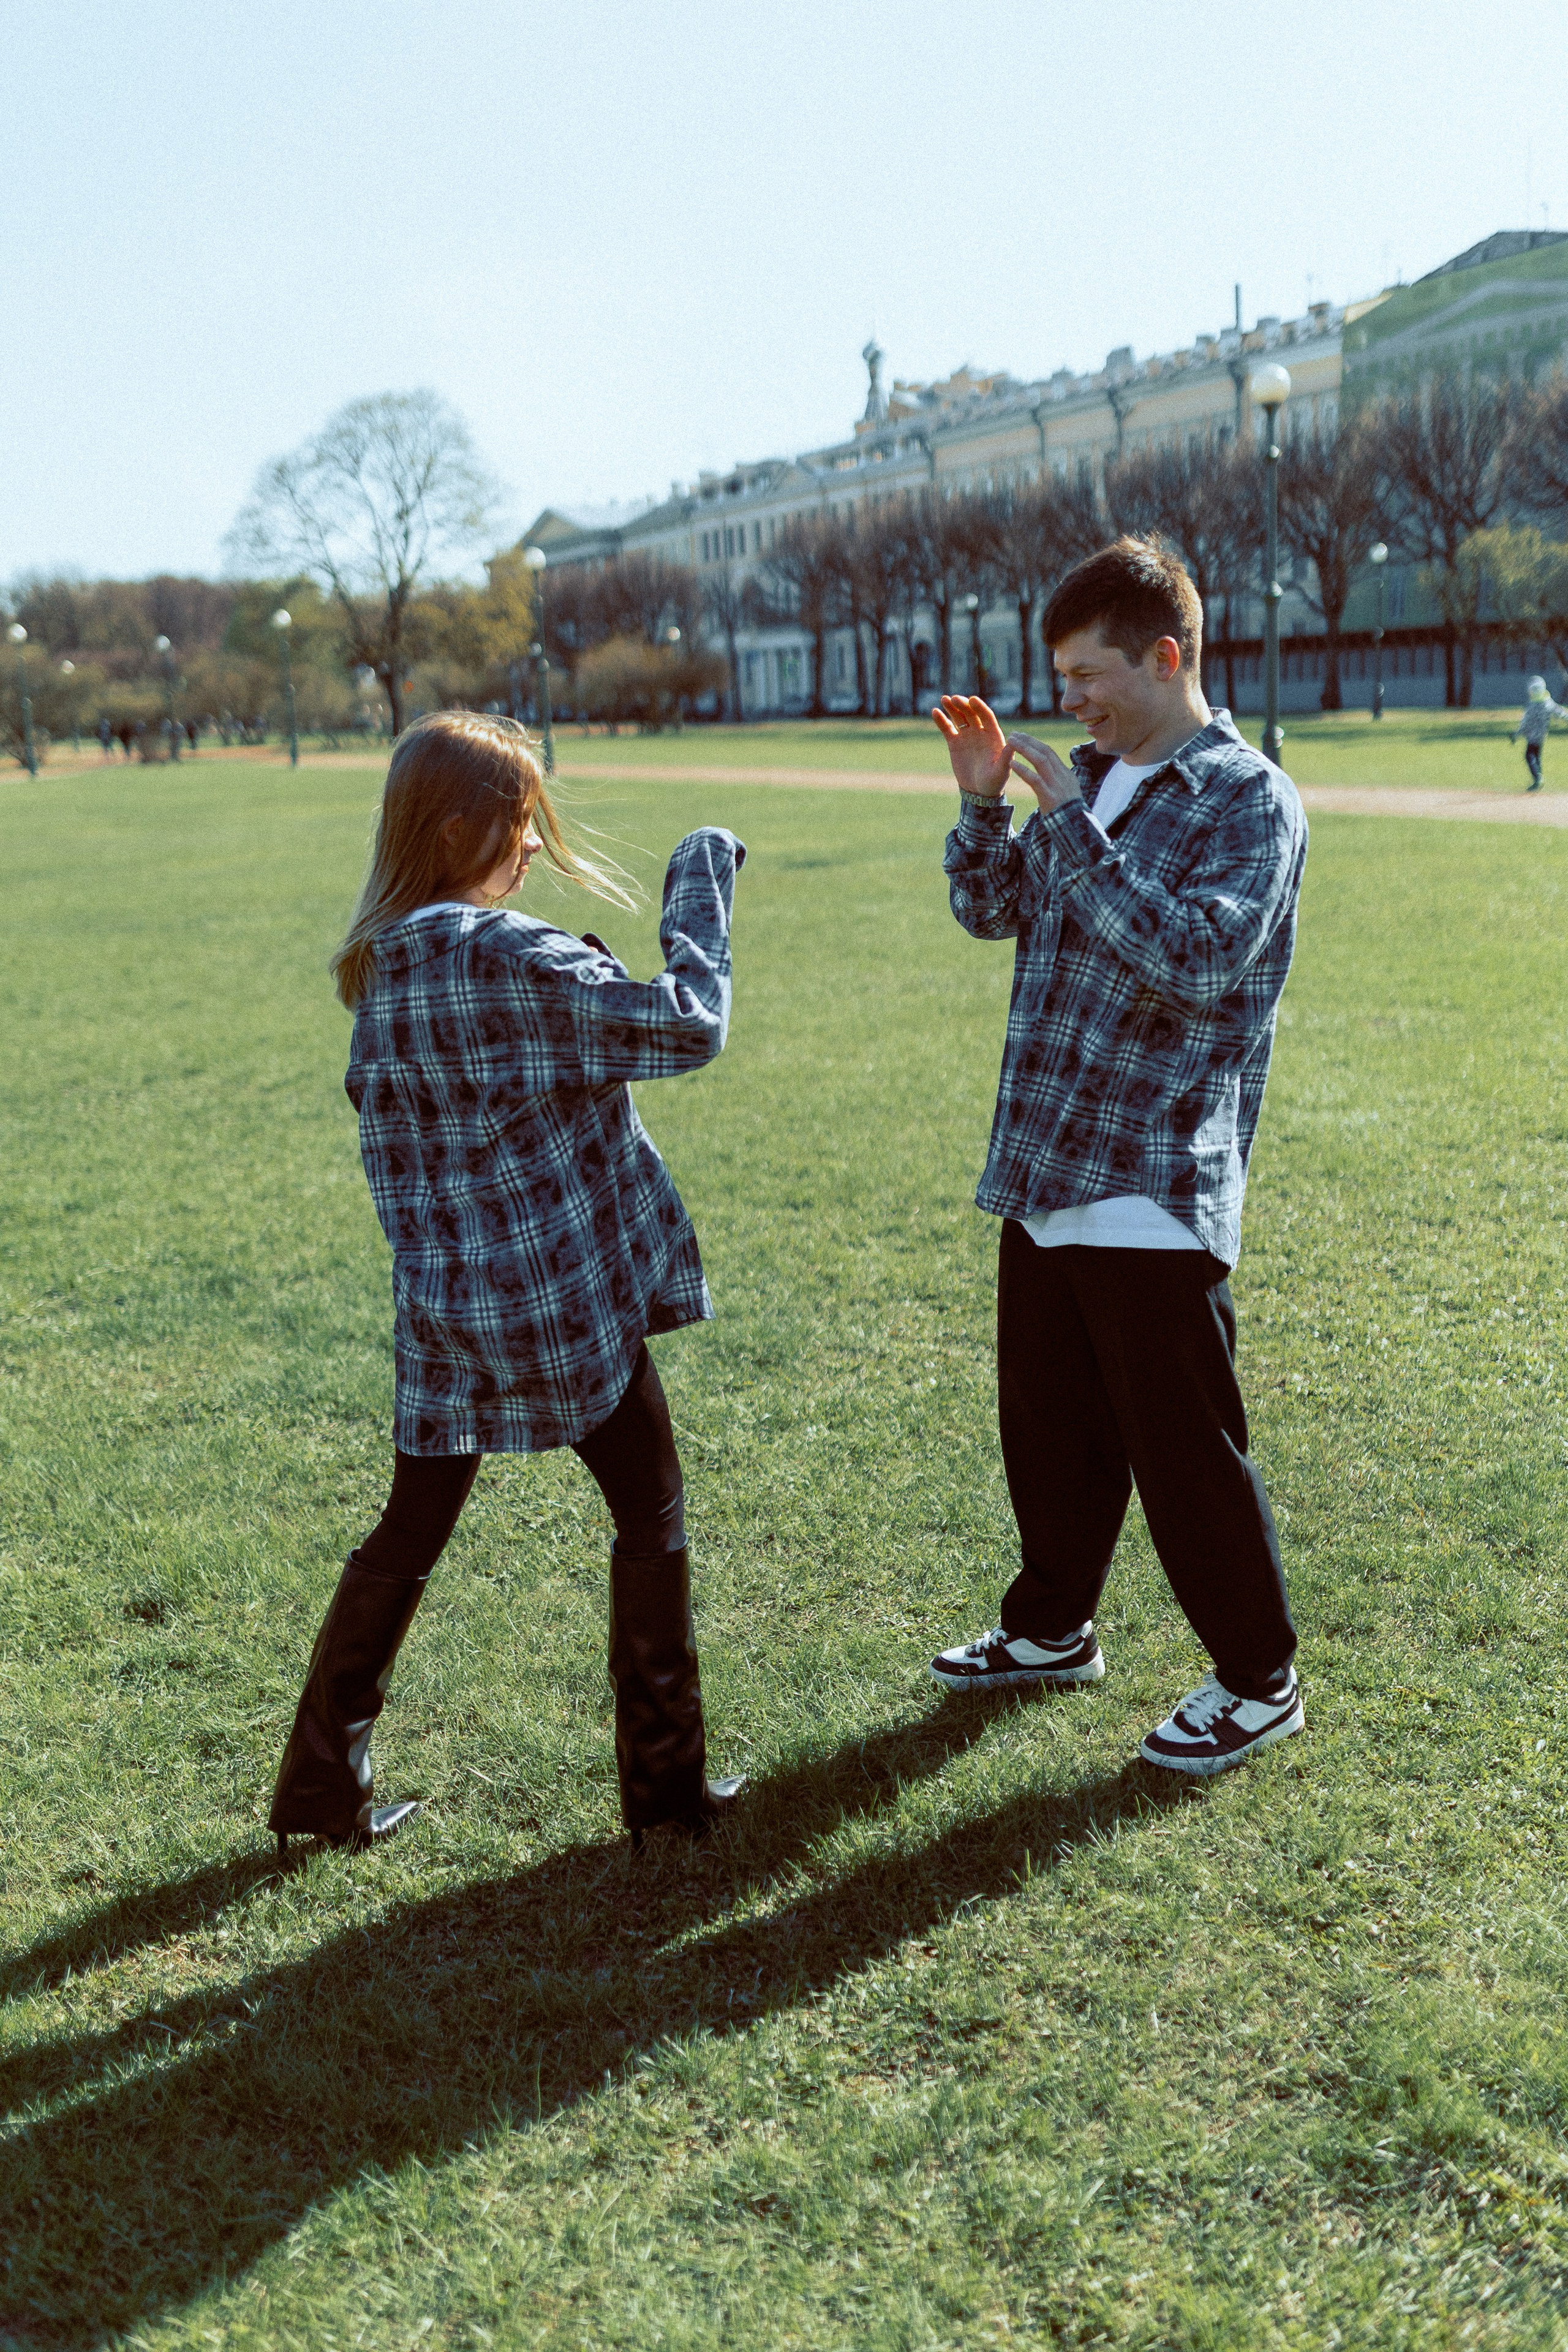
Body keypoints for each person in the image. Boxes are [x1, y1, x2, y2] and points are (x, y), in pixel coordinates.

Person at [269, 712, 747, 1852]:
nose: (533, 842)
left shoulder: (384, 969)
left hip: (444, 1313)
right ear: (454, 831)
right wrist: (701, 881)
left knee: (409, 1529)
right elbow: (688, 1028)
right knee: (651, 1506)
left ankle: (319, 1787)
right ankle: (667, 1794)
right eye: (520, 820)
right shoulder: (509, 956)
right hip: (556, 1305)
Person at [928, 537, 1308, 1776]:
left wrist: (1073, 836)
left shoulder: (1245, 798)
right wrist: (982, 806)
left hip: (1151, 1177)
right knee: (1050, 1437)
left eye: (1090, 674)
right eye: (1062, 677)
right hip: (1045, 1166)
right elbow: (990, 911)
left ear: (1166, 655)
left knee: (1185, 1456)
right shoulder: (1089, 783)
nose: (1073, 700)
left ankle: (1258, 1681)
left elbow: (1197, 959)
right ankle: (1051, 1629)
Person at [1510, 675, 1566, 792]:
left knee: (1529, 755)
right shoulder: (1548, 702)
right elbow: (1560, 712)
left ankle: (1538, 777)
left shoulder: (1531, 706)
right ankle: (1539, 777)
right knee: (1537, 756)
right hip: (1542, 736)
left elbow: (1525, 724)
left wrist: (1516, 735)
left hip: (1532, 736)